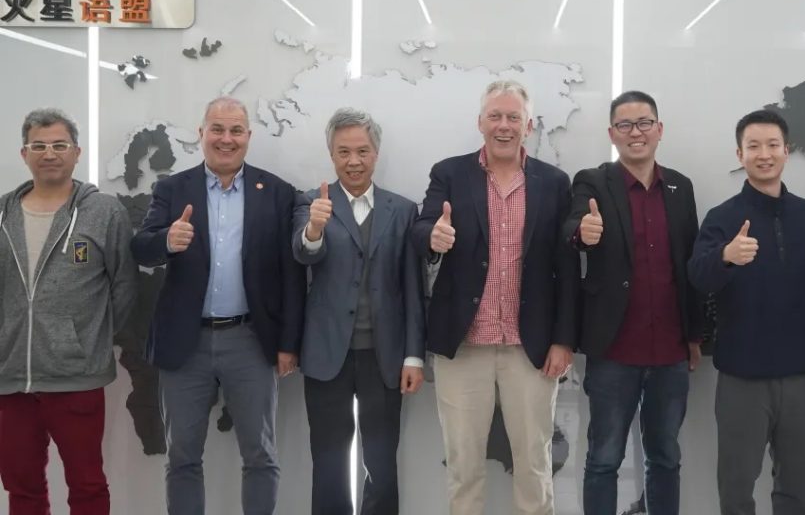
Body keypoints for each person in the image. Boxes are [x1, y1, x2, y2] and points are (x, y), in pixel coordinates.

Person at [131, 96, 305, 515]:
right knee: (182, 457)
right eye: (218, 129)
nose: (227, 139)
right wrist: (166, 241)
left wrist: (288, 343)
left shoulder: (277, 192)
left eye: (236, 130)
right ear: (201, 133)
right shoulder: (173, 189)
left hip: (251, 340)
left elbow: (291, 276)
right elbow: (141, 247)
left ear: (248, 136)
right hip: (185, 343)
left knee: (260, 455)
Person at [411, 80, 578, 515]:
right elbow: (422, 228)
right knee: (464, 468)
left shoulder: (554, 182)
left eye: (513, 117)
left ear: (529, 125)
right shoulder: (449, 173)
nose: (504, 125)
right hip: (464, 344)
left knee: (534, 466)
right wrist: (433, 236)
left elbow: (565, 268)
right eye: (495, 116)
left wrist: (563, 339)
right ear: (480, 122)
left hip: (531, 347)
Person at [561, 90, 703, 515]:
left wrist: (695, 336)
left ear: (659, 130)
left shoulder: (680, 187)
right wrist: (582, 232)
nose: (635, 132)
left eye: (644, 123)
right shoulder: (593, 180)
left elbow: (690, 263)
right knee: (604, 458)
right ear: (612, 134)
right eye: (625, 125)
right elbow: (572, 225)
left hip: (671, 351)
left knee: (666, 456)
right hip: (614, 350)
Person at [688, 109, 805, 515]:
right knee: (736, 486)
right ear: (740, 154)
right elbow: (697, 276)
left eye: (772, 145)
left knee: (797, 488)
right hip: (742, 375)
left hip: (801, 374)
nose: (764, 154)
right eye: (753, 146)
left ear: (787, 151)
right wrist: (726, 256)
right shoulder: (722, 217)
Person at [0, 108, 137, 515]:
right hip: (10, 379)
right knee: (21, 488)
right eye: (39, 145)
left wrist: (86, 340)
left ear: (77, 152)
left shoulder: (104, 212)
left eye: (59, 145)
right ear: (24, 154)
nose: (49, 153)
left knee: (87, 484)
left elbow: (124, 286)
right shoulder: (3, 213)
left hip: (77, 378)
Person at [293, 108, 425, 515]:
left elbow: (413, 288)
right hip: (326, 355)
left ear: (376, 153)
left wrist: (413, 356)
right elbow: (303, 254)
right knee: (329, 464)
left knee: (382, 466)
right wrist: (314, 229)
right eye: (344, 152)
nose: (354, 161)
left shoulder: (403, 210)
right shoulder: (311, 203)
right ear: (331, 155)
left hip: (384, 358)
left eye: (362, 151)